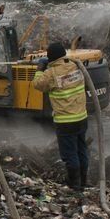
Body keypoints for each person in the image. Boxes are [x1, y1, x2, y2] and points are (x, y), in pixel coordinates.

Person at [32, 42, 89, 191]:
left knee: (69, 154)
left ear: (50, 57)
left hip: (66, 121)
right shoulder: (75, 66)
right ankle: (83, 181)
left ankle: (74, 185)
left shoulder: (51, 74)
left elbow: (37, 84)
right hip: (82, 118)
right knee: (81, 150)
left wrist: (40, 68)